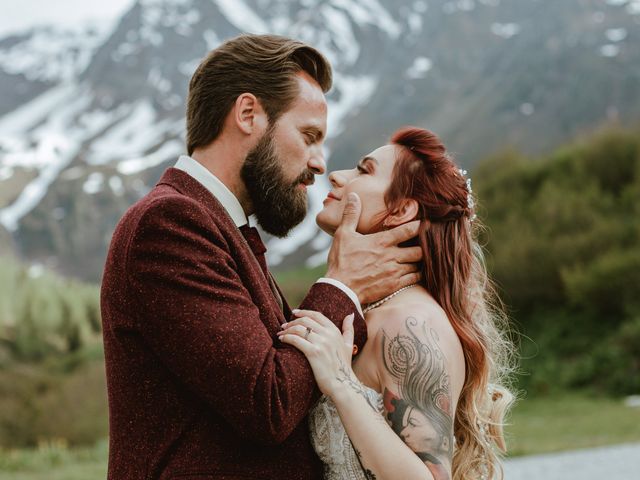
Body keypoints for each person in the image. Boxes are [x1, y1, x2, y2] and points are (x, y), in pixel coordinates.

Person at [100, 34, 423, 480]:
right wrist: (342, 284)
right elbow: (267, 401)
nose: (318, 163)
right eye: (309, 136)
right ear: (248, 114)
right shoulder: (169, 224)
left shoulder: (217, 224)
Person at [279, 126, 515, 480]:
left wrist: (342, 384)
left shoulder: (408, 324)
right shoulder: (370, 312)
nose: (338, 175)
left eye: (364, 170)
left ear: (401, 210)